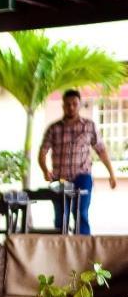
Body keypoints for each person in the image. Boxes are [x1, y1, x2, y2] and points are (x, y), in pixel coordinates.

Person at [38, 89, 117, 234]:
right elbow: (43, 151)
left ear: (80, 105)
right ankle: (61, 251)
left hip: (82, 177)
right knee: (60, 218)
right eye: (68, 104)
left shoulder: (89, 126)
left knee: (81, 214)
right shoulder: (54, 129)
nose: (71, 107)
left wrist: (111, 174)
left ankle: (84, 252)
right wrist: (44, 170)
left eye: (74, 104)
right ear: (63, 106)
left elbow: (101, 150)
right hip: (60, 180)